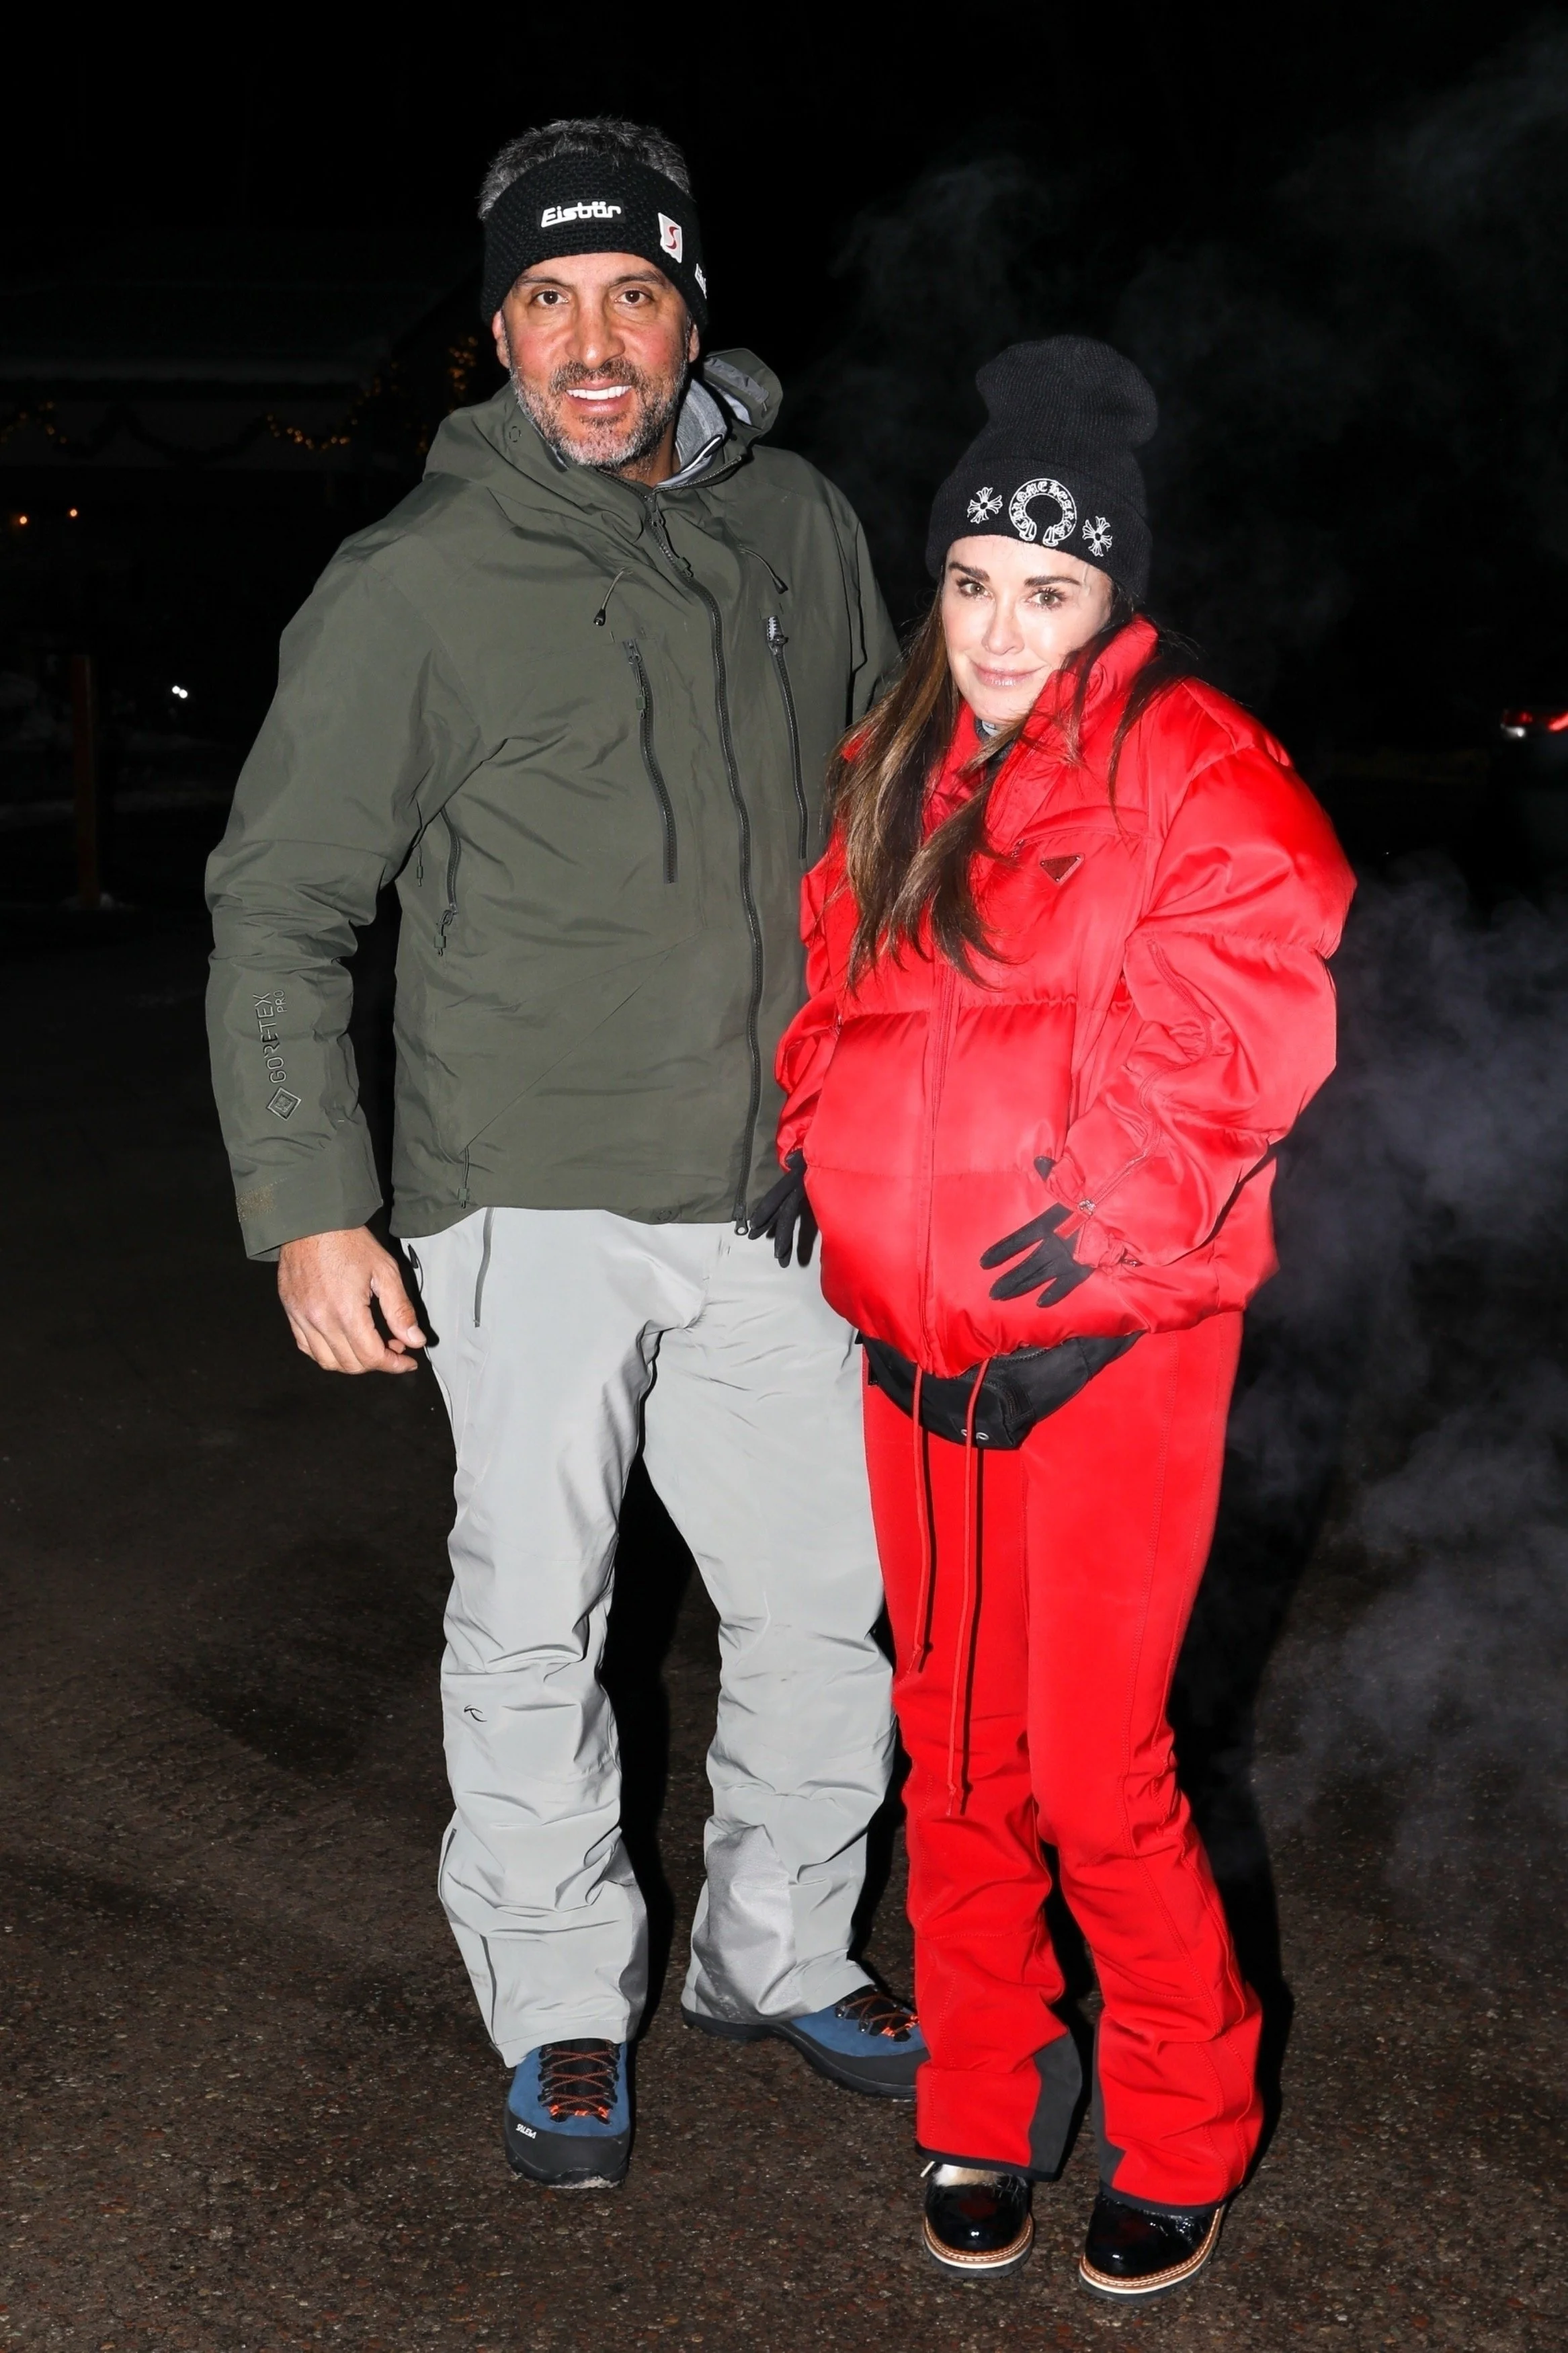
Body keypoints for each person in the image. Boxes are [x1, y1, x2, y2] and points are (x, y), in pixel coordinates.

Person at [205, 115, 923, 2195]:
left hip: (774, 1189)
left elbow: (886, 815)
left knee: (825, 1603)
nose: (591, 344)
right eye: (546, 299)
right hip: (525, 1194)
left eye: (629, 293)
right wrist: (311, 1201)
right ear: (499, 329)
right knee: (538, 1611)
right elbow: (282, 899)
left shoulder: (798, 525)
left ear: (691, 309)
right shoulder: (417, 583)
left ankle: (779, 1950)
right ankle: (559, 2005)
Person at [771, 337, 1355, 2295]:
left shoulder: (1196, 758)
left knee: (1098, 1770)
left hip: (1112, 1352)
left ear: (1113, 594)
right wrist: (819, 1145)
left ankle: (1182, 2124)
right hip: (917, 1349)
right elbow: (836, 979)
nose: (1001, 630)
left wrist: (1103, 1243)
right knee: (951, 1758)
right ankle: (981, 2097)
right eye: (970, 583)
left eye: (1049, 590)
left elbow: (1244, 1017)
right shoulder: (898, 755)